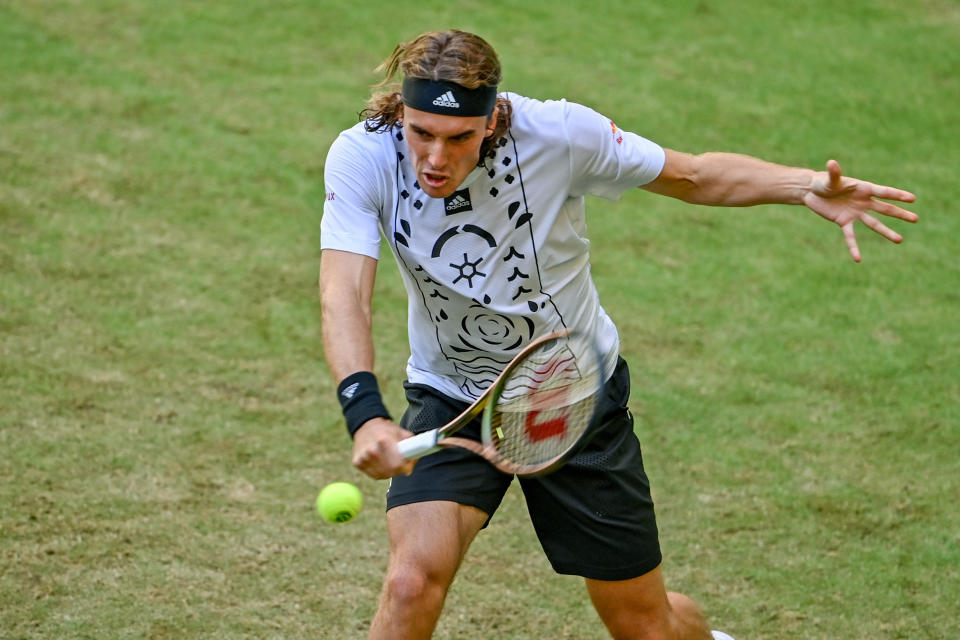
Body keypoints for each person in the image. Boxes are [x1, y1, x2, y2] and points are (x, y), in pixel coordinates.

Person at [319, 29, 917, 640]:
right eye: (421, 133)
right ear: (401, 111)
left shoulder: (561, 135)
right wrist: (365, 412)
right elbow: (345, 291)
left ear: (493, 118)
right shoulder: (362, 156)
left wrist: (802, 184)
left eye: (458, 138)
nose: (436, 160)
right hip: (454, 395)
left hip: (569, 391)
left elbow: (692, 175)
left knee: (643, 626)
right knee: (410, 584)